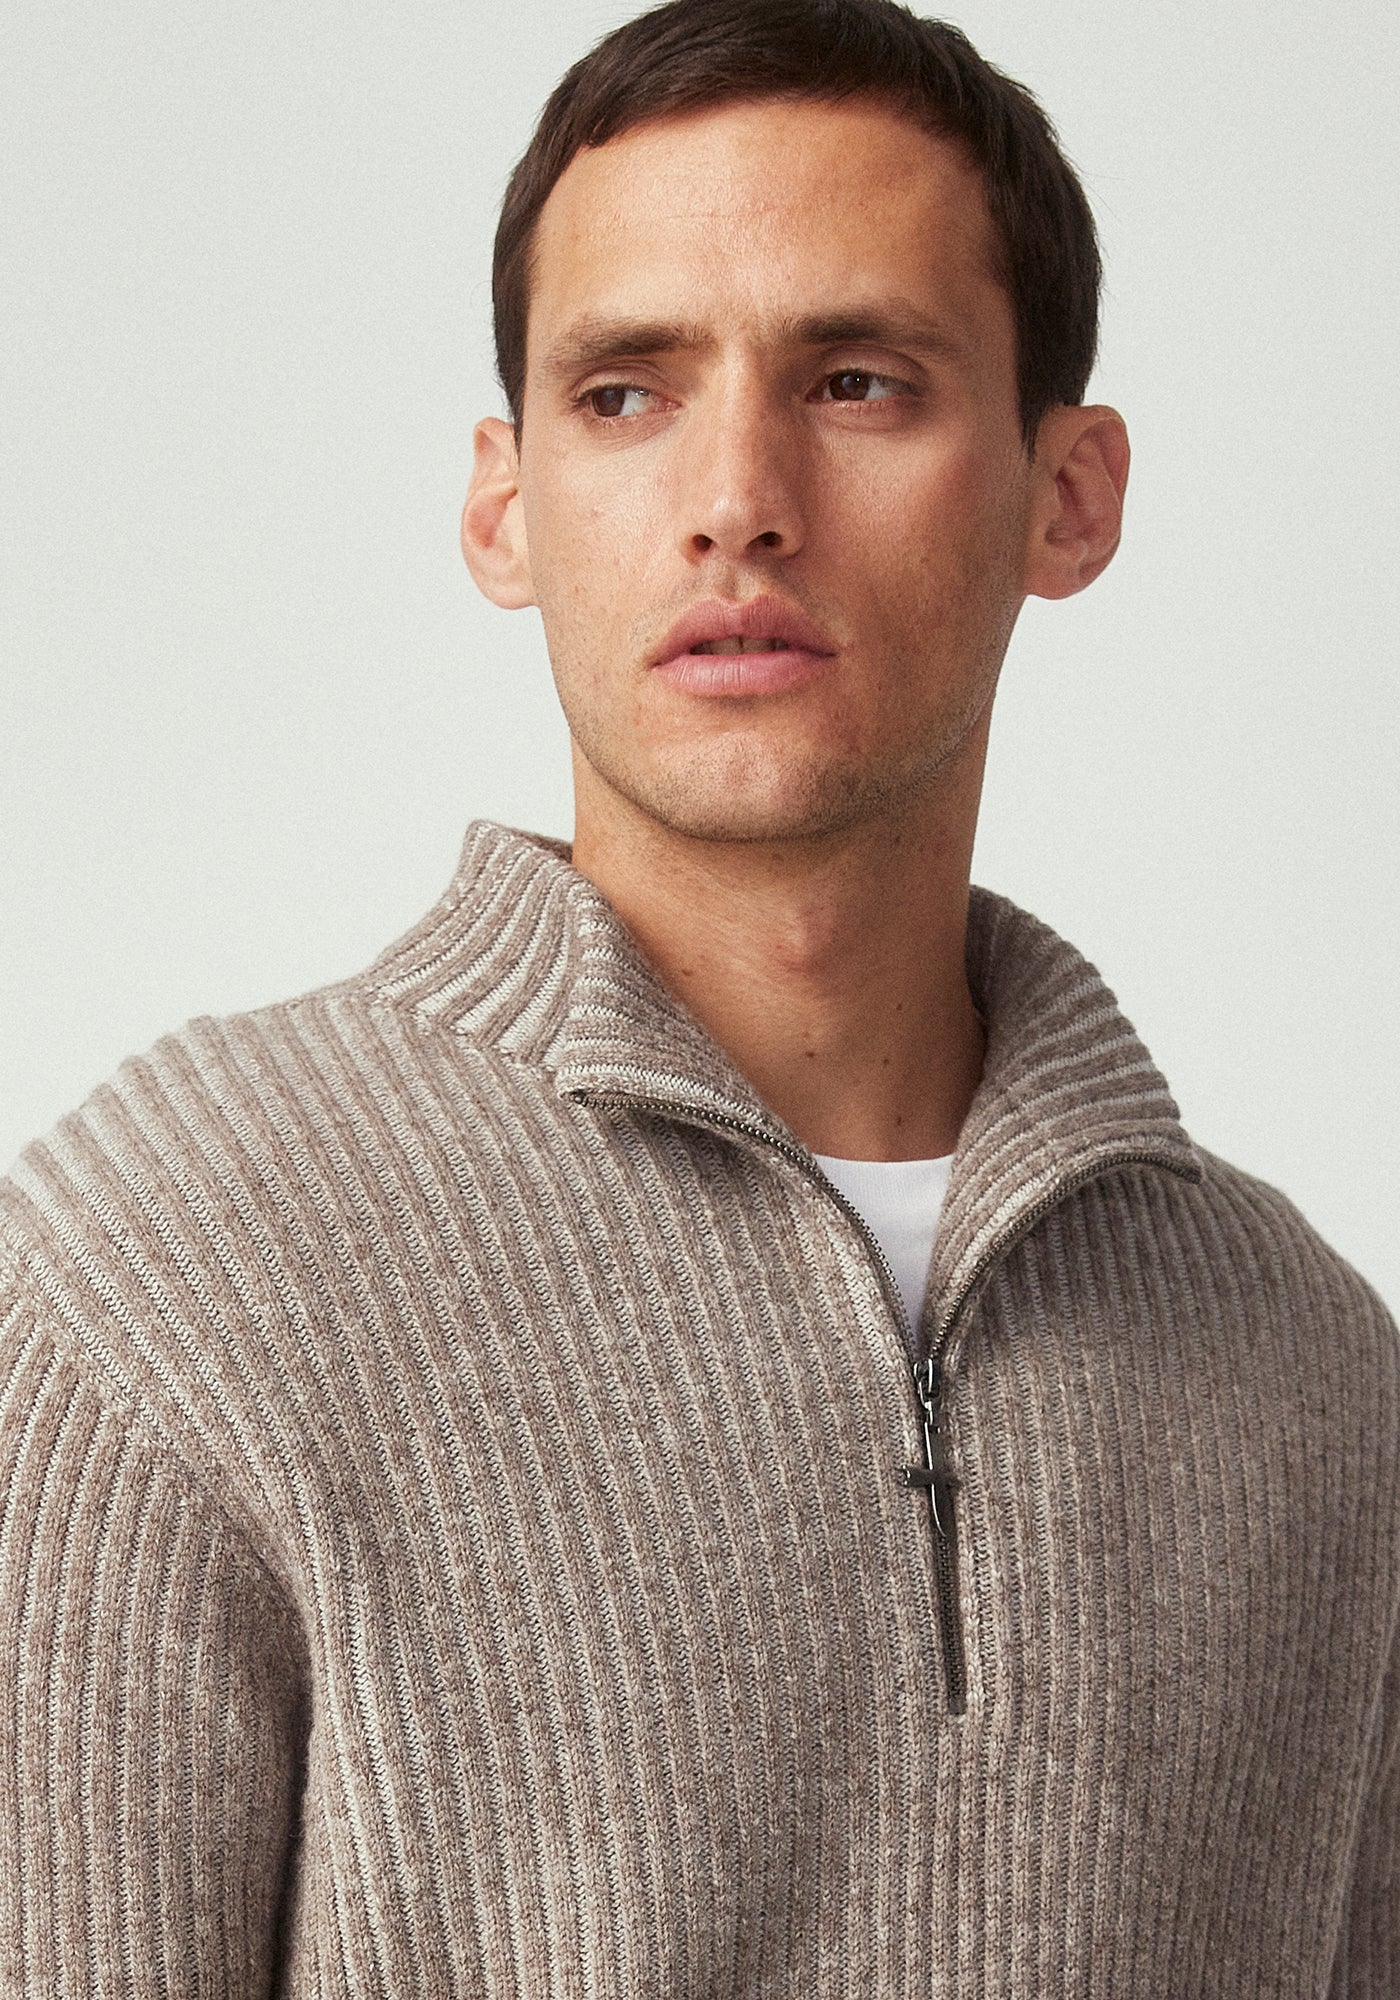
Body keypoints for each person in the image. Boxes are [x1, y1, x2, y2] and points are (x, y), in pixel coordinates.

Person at [1, 0, 1395, 1989]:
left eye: (856, 381)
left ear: (1067, 494)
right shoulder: (164, 1272)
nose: (737, 495)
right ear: (503, 506)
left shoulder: (1309, 1374)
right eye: (625, 393)